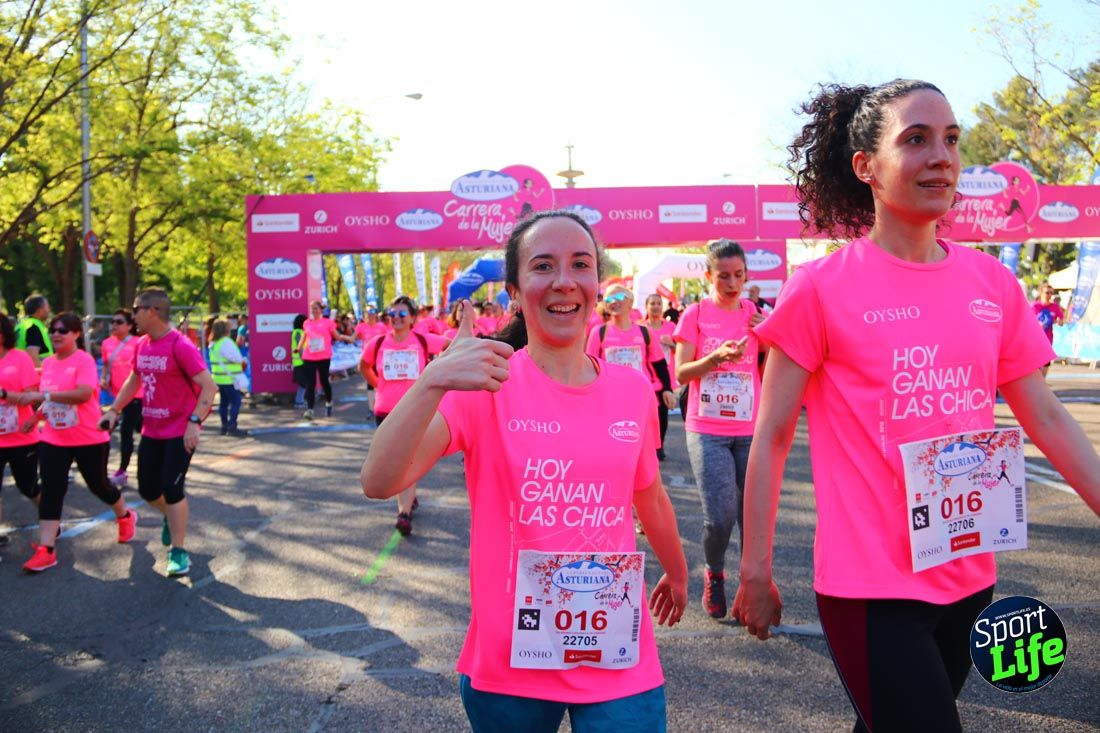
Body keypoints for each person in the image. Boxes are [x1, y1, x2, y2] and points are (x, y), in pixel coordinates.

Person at [732, 79, 1100, 733]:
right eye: (916, 139)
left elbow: (1044, 415)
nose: (942, 156)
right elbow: (773, 434)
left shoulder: (994, 283)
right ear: (866, 166)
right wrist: (755, 570)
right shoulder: (819, 288)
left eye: (952, 139)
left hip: (967, 575)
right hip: (869, 588)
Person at [361, 210, 687, 732]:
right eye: (542, 266)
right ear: (515, 289)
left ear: (597, 284)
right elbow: (379, 481)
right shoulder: (485, 384)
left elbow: (648, 494)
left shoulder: (631, 391)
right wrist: (433, 380)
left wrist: (677, 568)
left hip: (615, 650)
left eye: (580, 264)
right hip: (510, 661)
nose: (563, 280)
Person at [672, 239, 766, 618]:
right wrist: (715, 357)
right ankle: (714, 571)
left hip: (750, 427)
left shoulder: (756, 314)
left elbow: (768, 367)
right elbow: (681, 372)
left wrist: (771, 337)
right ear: (709, 275)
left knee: (752, 515)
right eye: (723, 276)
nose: (732, 283)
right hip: (707, 428)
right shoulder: (694, 314)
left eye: (739, 275)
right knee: (721, 515)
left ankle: (750, 584)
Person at [101, 288, 217, 577]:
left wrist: (194, 421)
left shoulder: (180, 346)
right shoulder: (142, 344)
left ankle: (178, 551)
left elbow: (209, 386)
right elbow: (134, 379)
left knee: (172, 488)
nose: (133, 314)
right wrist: (114, 409)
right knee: (148, 489)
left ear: (152, 311)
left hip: (179, 430)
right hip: (152, 429)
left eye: (136, 308)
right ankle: (171, 517)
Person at [18, 312, 136, 573]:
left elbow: (83, 394)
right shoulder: (48, 363)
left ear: (76, 334)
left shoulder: (83, 361)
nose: (56, 334)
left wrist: (42, 394)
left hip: (88, 437)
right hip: (53, 437)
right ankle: (47, 549)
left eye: (63, 330)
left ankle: (125, 516)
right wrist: (36, 416)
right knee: (51, 490)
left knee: (100, 487)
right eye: (53, 330)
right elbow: (50, 399)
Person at [358, 295, 445, 535]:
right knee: (394, 462)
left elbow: (451, 346)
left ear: (412, 318)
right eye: (392, 314)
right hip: (385, 410)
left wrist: (437, 379)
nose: (395, 318)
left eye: (401, 314)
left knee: (407, 461)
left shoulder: (422, 340)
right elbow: (364, 366)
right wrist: (379, 385)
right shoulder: (376, 343)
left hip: (415, 410)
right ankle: (408, 497)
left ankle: (404, 513)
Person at [586, 285, 674, 461]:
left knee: (645, 452)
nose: (614, 302)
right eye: (609, 299)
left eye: (618, 297)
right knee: (615, 451)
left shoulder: (643, 332)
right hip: (611, 400)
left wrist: (666, 389)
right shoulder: (599, 333)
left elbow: (658, 363)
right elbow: (589, 368)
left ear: (630, 302)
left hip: (641, 398)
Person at [0, 312, 42, 555]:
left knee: (28, 487)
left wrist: (5, 395)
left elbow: (31, 396)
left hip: (21, 435)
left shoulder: (21, 359)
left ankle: (49, 518)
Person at [100, 309, 143, 486]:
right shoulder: (107, 343)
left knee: (126, 431)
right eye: (113, 322)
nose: (114, 325)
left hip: (137, 395)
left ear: (129, 325)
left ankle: (122, 471)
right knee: (143, 429)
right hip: (117, 396)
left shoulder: (138, 342)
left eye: (119, 322)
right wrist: (104, 379)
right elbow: (105, 365)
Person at [297, 300, 354, 420]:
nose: (314, 311)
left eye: (316, 308)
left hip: (324, 356)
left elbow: (337, 336)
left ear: (321, 310)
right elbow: (304, 336)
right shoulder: (307, 323)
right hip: (309, 356)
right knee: (310, 383)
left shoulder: (328, 323)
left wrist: (347, 338)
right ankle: (310, 409)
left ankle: (328, 402)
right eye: (312, 309)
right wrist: (298, 347)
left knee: (324, 381)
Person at [209, 319, 249, 437]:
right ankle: (232, 426)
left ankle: (224, 426)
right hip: (230, 378)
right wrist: (243, 360)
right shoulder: (226, 342)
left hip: (219, 378)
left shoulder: (213, 343)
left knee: (224, 403)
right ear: (226, 330)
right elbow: (235, 358)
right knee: (236, 401)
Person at [1032, 282, 1065, 377]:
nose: (1049, 295)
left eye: (1051, 293)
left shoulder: (1055, 307)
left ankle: (1042, 382)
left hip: (1048, 339)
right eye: (1047, 292)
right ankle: (1036, 382)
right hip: (1035, 340)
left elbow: (1061, 321)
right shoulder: (1034, 306)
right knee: (1035, 363)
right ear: (1041, 293)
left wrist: (1059, 321)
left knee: (1046, 362)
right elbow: (1026, 321)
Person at [14, 294, 52, 368]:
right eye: (47, 307)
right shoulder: (33, 327)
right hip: (35, 375)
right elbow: (32, 356)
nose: (49, 310)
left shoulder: (21, 326)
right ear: (40, 310)